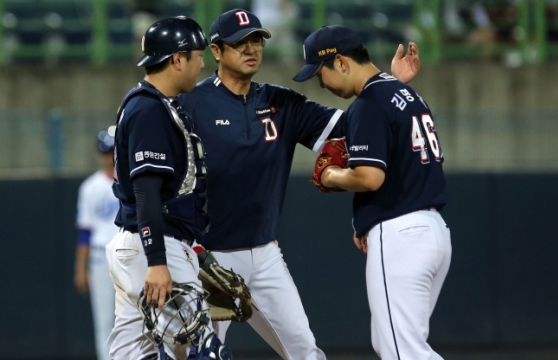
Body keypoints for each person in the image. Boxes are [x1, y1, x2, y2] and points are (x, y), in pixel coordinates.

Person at [178, 8, 420, 359]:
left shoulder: (281, 101)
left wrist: (390, 86)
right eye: (239, 43)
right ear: (216, 51)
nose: (251, 49)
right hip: (208, 255)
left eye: (257, 40)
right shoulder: (191, 104)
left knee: (305, 351)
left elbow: (357, 126)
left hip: (264, 254)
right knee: (195, 354)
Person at [292, 25, 452, 360]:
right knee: (394, 345)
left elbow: (369, 177)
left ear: (340, 62)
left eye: (320, 73)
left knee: (401, 350)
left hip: (401, 234)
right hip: (432, 232)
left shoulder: (368, 103)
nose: (321, 83)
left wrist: (332, 174)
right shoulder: (405, 95)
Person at [105, 16, 231, 360]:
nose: (203, 62)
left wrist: (194, 248)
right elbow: (147, 192)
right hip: (153, 246)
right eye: (197, 55)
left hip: (146, 244)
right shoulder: (149, 109)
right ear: (178, 59)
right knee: (204, 351)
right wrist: (158, 261)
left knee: (132, 354)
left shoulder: (159, 104)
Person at [74, 128, 119, 360]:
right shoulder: (90, 187)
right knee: (104, 319)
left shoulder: (135, 182)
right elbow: (85, 232)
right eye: (106, 151)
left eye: (112, 150)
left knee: (139, 316)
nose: (109, 156)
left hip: (130, 255)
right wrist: (81, 269)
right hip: (101, 258)